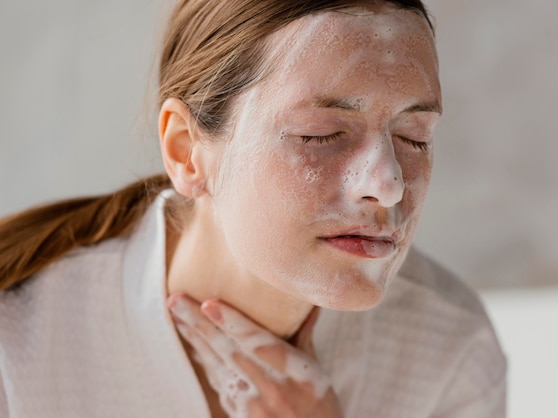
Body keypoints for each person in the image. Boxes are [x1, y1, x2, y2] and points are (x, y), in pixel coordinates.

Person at [0, 0, 507, 417]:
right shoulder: (17, 347)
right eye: (321, 134)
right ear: (185, 151)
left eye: (414, 137)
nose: (389, 185)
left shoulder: (450, 351)